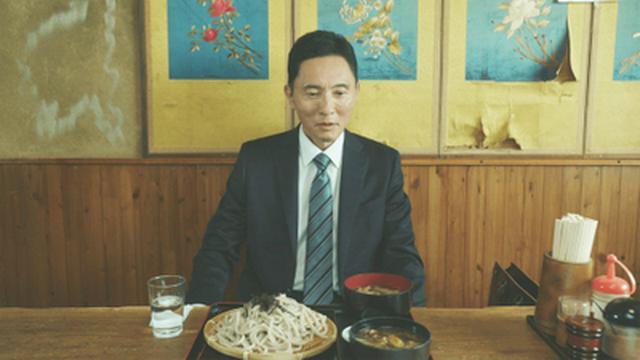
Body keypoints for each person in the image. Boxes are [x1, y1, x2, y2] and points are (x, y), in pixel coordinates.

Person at [186, 30, 425, 306]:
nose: (327, 108)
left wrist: (414, 318)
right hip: (272, 311)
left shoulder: (382, 164)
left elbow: (402, 253)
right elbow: (219, 246)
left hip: (355, 312)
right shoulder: (256, 160)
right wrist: (197, 312)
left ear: (356, 92)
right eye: (313, 93)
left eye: (339, 93)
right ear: (290, 95)